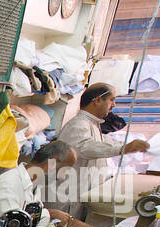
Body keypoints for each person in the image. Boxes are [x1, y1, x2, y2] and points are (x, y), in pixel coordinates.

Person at [56, 83, 150, 217]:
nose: (114, 105)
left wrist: (129, 147)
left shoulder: (92, 125)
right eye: (112, 99)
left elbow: (105, 143)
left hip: (80, 196)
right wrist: (123, 148)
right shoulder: (78, 125)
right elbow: (85, 147)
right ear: (98, 100)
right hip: (68, 200)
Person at [0, 141, 97, 227]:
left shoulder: (35, 185)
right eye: (65, 169)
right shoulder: (9, 183)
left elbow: (33, 219)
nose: (64, 176)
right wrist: (51, 214)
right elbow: (13, 225)